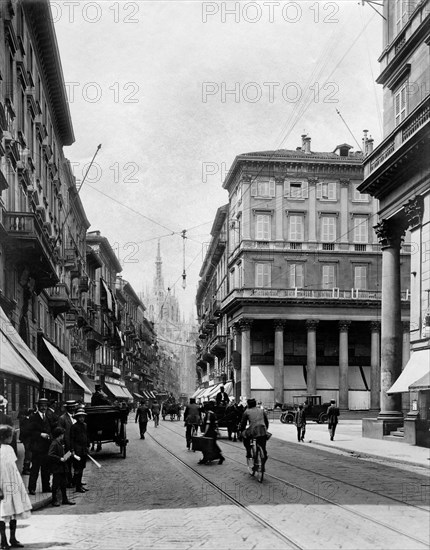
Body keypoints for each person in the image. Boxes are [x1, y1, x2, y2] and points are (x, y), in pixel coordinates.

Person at [0, 424, 32, 549]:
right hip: (3, 485)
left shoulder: (9, 449)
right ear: (4, 437)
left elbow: (13, 467)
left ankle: (13, 538)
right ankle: (3, 541)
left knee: (14, 510)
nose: (11, 439)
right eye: (10, 436)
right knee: (2, 513)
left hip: (12, 483)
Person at [28, 398, 52, 495]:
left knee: (46, 469)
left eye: (45, 406)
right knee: (35, 469)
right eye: (41, 405)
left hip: (46, 447)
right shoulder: (33, 417)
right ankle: (32, 488)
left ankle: (46, 487)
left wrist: (50, 435)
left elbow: (51, 428)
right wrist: (40, 434)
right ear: (38, 406)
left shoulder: (48, 416)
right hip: (37, 448)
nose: (43, 407)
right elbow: (28, 432)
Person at [48, 426, 75, 507]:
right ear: (59, 435)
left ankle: (65, 499)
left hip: (62, 468)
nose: (63, 436)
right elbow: (50, 454)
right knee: (55, 484)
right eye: (62, 435)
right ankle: (54, 500)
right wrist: (60, 459)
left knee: (63, 484)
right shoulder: (54, 443)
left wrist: (68, 455)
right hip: (57, 468)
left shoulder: (59, 443)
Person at [70, 409, 90, 493]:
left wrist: (88, 445)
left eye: (83, 417)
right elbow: (71, 439)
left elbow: (87, 436)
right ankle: (77, 486)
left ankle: (80, 484)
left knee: (82, 468)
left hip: (83, 450)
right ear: (77, 418)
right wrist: (72, 450)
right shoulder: (74, 427)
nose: (82, 418)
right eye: (80, 417)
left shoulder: (85, 425)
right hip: (77, 450)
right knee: (77, 469)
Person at [58, 400, 77, 486]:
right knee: (67, 463)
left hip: (77, 445)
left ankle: (77, 481)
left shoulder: (77, 416)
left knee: (77, 462)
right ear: (67, 408)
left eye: (73, 407)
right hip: (67, 445)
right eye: (70, 407)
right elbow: (60, 432)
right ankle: (68, 481)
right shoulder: (62, 418)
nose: (72, 408)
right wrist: (62, 444)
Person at [18, 409, 33, 476]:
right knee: (28, 454)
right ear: (30, 414)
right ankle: (25, 469)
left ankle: (27, 467)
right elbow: (25, 431)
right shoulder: (26, 420)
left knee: (29, 453)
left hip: (27, 439)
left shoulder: (26, 420)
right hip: (27, 439)